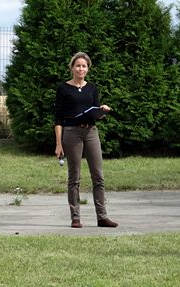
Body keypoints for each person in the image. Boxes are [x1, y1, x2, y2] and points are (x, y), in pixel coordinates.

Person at [54, 52, 117, 228]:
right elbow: (58, 119)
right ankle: (75, 217)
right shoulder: (63, 88)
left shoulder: (92, 88)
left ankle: (102, 217)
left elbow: (95, 113)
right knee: (74, 177)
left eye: (84, 66)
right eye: (78, 65)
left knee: (98, 176)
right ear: (72, 67)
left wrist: (102, 111)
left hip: (91, 132)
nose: (81, 68)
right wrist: (58, 144)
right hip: (71, 133)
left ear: (88, 69)